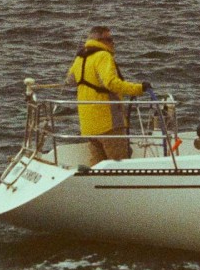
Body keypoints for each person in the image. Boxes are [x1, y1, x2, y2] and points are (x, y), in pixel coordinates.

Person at [64, 26, 151, 167]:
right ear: (100, 40)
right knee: (119, 165)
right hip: (108, 123)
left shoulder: (80, 57)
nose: (113, 43)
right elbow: (111, 83)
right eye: (109, 39)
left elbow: (70, 81)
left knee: (97, 164)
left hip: (89, 124)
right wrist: (138, 88)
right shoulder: (103, 56)